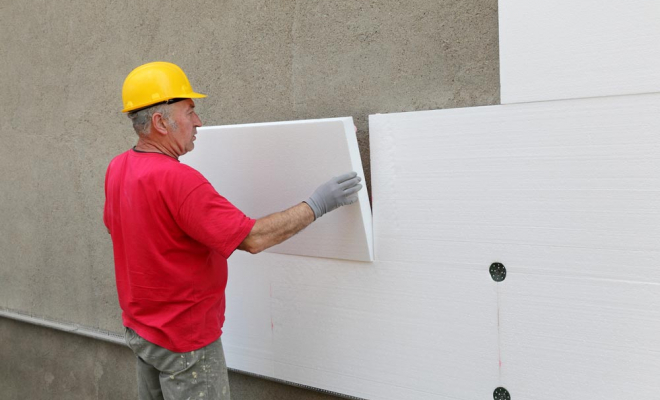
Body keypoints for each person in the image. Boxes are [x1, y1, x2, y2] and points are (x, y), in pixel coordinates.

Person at [103, 61, 363, 400]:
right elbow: (252, 238)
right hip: (185, 344)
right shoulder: (178, 180)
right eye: (190, 111)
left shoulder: (118, 167)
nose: (198, 121)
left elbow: (124, 233)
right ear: (159, 122)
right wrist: (317, 204)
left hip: (143, 333)